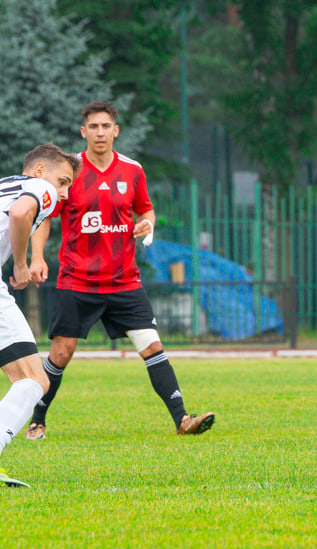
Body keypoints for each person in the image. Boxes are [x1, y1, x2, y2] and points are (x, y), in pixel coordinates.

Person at [26, 100, 215, 439]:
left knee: (152, 346)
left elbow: (147, 211)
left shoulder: (132, 170)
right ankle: (38, 419)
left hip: (124, 280)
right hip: (77, 280)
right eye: (93, 127)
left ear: (116, 131)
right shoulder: (68, 171)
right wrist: (37, 258)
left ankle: (183, 420)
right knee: (61, 353)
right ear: (84, 132)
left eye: (106, 126)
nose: (100, 133)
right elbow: (43, 218)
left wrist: (147, 224)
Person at [0, 144, 78, 486]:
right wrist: (20, 263)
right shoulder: (40, 187)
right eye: (63, 182)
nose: (63, 194)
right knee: (34, 380)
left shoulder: (6, 183)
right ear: (40, 170)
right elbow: (20, 215)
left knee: (27, 376)